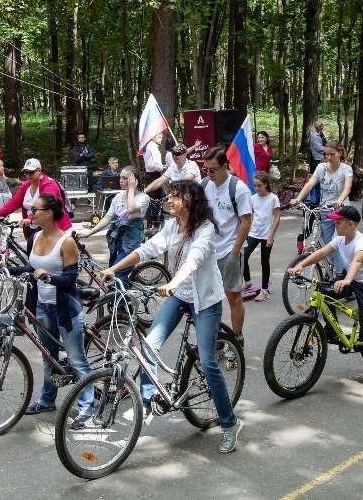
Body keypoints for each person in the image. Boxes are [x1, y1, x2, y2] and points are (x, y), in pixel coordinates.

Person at [102, 180, 243, 453]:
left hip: (205, 301)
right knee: (148, 347)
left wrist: (172, 283)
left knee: (207, 361)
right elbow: (147, 249)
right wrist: (114, 269)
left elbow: (194, 261)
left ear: (189, 200)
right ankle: (148, 401)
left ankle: (229, 423)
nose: (168, 201)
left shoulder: (206, 229)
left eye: (173, 196)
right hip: (179, 296)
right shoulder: (171, 226)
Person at [287, 205, 363, 390]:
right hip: (350, 280)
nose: (335, 224)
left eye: (338, 222)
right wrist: (301, 265)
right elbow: (322, 253)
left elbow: (357, 261)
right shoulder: (340, 239)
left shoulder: (361, 243)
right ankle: (332, 330)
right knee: (324, 293)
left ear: (351, 224)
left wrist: (347, 280)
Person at [20, 194, 94, 425]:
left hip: (64, 309)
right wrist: (8, 268)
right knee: (49, 358)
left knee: (76, 359)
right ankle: (47, 399)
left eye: (35, 210)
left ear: (49, 212)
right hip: (42, 307)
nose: (31, 214)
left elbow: (71, 278)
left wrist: (49, 278)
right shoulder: (34, 237)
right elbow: (30, 267)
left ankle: (87, 408)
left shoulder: (67, 242)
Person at [201, 147, 252, 347]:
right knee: (210, 299)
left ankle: (237, 338)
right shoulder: (205, 184)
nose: (209, 174)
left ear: (225, 166)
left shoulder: (238, 189)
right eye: (206, 170)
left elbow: (246, 221)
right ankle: (217, 338)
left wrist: (235, 253)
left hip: (229, 250)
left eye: (213, 170)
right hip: (208, 252)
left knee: (233, 297)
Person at [289, 141, 353, 276]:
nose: (328, 157)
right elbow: (309, 184)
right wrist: (298, 199)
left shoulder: (346, 169)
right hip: (324, 211)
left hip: (341, 212)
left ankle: (341, 275)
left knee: (337, 244)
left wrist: (340, 200)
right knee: (327, 246)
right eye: (326, 154)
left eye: (332, 154)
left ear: (340, 153)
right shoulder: (321, 167)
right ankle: (333, 272)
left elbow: (347, 187)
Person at [77, 166, 148, 283]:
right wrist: (89, 233)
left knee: (119, 274)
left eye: (125, 178)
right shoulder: (118, 196)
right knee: (111, 273)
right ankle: (117, 299)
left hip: (132, 239)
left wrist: (131, 190)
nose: (121, 180)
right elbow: (107, 218)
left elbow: (131, 209)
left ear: (134, 181)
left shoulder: (143, 198)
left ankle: (121, 300)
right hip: (116, 237)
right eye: (120, 177)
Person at [0, 158, 71, 254]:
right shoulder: (26, 185)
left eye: (31, 172)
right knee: (33, 253)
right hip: (33, 226)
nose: (28, 175)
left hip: (52, 226)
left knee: (39, 254)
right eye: (25, 172)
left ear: (39, 171)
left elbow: (45, 205)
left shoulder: (49, 185)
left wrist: (30, 219)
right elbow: (14, 202)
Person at [242, 172, 281, 301]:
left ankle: (264, 291)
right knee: (242, 257)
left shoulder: (273, 198)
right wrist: (246, 232)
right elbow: (250, 217)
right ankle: (247, 281)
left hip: (266, 235)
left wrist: (271, 236)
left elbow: (276, 218)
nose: (256, 188)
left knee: (264, 261)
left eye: (259, 185)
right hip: (253, 233)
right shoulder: (252, 198)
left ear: (266, 185)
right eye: (254, 185)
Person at [143, 132, 166, 229]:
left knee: (155, 199)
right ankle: (154, 222)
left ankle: (154, 221)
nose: (161, 139)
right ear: (153, 137)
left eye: (161, 137)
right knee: (154, 200)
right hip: (153, 175)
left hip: (152, 174)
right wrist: (162, 167)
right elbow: (152, 165)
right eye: (159, 137)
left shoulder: (151, 146)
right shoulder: (152, 147)